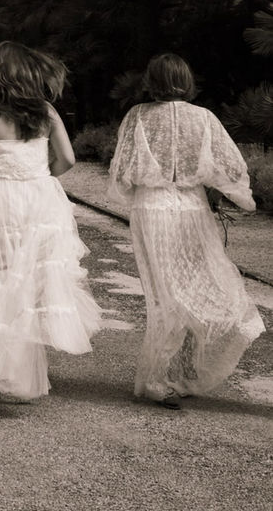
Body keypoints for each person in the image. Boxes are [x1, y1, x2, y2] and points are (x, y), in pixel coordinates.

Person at [108, 52, 264, 409]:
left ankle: (160, 377)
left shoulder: (137, 116)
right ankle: (180, 371)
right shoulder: (203, 118)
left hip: (151, 209)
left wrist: (144, 188)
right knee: (196, 284)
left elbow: (122, 172)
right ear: (187, 80)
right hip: (192, 208)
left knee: (164, 293)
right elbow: (230, 166)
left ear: (151, 81)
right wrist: (238, 197)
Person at [0, 41, 102, 401]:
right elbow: (68, 158)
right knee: (28, 282)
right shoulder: (46, 112)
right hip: (39, 201)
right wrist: (39, 175)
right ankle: (19, 369)